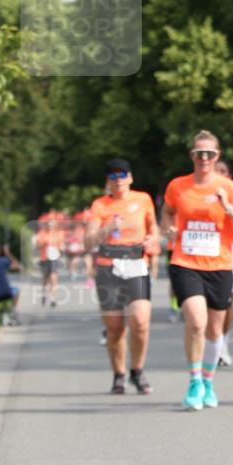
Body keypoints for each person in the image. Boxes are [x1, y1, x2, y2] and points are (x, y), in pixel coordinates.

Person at [161, 131, 233, 410]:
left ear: (217, 156)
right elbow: (166, 212)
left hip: (220, 266)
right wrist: (169, 229)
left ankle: (209, 381)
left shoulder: (229, 187)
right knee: (197, 322)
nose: (204, 158)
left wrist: (227, 206)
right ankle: (194, 380)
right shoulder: (178, 186)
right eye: (199, 153)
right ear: (192, 156)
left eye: (209, 154)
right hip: (185, 263)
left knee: (214, 329)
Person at [85, 159, 159, 395]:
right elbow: (88, 242)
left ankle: (137, 371)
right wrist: (106, 228)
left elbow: (153, 229)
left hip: (136, 264)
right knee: (115, 328)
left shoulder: (143, 199)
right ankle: (119, 374)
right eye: (113, 176)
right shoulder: (100, 205)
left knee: (140, 322)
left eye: (122, 175)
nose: (118, 180)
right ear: (108, 180)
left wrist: (152, 240)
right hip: (109, 268)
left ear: (130, 177)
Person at [214, 159, 233, 366]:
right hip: (199, 256)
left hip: (229, 252)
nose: (219, 174)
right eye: (216, 171)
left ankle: (223, 343)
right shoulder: (197, 191)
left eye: (223, 171)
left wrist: (227, 207)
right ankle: (211, 344)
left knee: (226, 304)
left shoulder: (232, 192)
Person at [36, 214, 63, 307]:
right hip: (44, 258)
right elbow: (38, 245)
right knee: (45, 279)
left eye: (52, 223)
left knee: (54, 278)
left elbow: (60, 246)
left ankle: (53, 298)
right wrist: (44, 243)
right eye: (49, 223)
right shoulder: (42, 233)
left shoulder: (58, 234)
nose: (50, 225)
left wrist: (59, 251)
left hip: (54, 258)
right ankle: (44, 294)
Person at [0, 242, 21, 325]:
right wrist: (8, 254)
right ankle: (12, 311)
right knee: (16, 290)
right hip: (5, 293)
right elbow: (18, 267)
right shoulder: (4, 261)